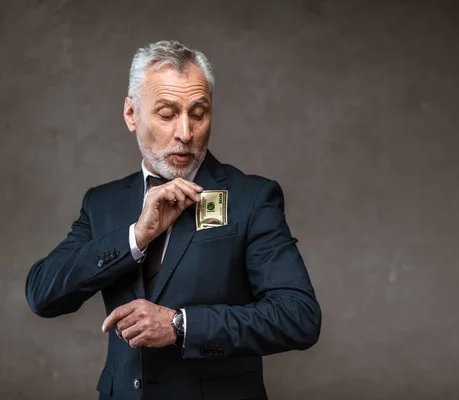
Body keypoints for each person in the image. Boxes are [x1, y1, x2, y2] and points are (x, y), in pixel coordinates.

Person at [25, 40, 321, 400]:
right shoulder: (103, 202)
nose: (185, 133)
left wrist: (181, 325)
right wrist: (135, 236)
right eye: (167, 114)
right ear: (131, 114)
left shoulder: (252, 198)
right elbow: (42, 294)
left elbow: (299, 317)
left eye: (198, 113)